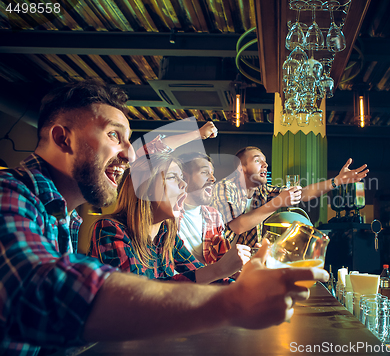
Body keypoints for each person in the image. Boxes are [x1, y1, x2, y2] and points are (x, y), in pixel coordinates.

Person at [0, 80, 328, 355]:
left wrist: (252, 285)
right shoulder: (8, 192)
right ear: (62, 138)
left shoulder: (65, 220)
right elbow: (38, 293)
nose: (128, 153)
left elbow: (192, 277)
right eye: (115, 135)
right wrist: (232, 303)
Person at [88, 151, 248, 283]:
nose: (184, 185)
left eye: (182, 178)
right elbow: (139, 295)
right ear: (146, 188)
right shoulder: (109, 230)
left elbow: (198, 272)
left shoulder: (166, 234)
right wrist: (218, 269)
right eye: (172, 177)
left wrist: (244, 283)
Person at [211, 146, 369, 246]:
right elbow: (237, 226)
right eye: (258, 160)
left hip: (244, 266)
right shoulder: (224, 188)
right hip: (219, 266)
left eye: (265, 162)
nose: (265, 165)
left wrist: (336, 181)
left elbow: (302, 194)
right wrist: (279, 202)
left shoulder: (262, 191)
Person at [177, 152, 250, 268]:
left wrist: (250, 259)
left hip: (211, 282)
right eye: (205, 173)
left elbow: (222, 260)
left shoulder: (214, 216)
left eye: (212, 173)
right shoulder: (168, 215)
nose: (213, 179)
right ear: (184, 177)